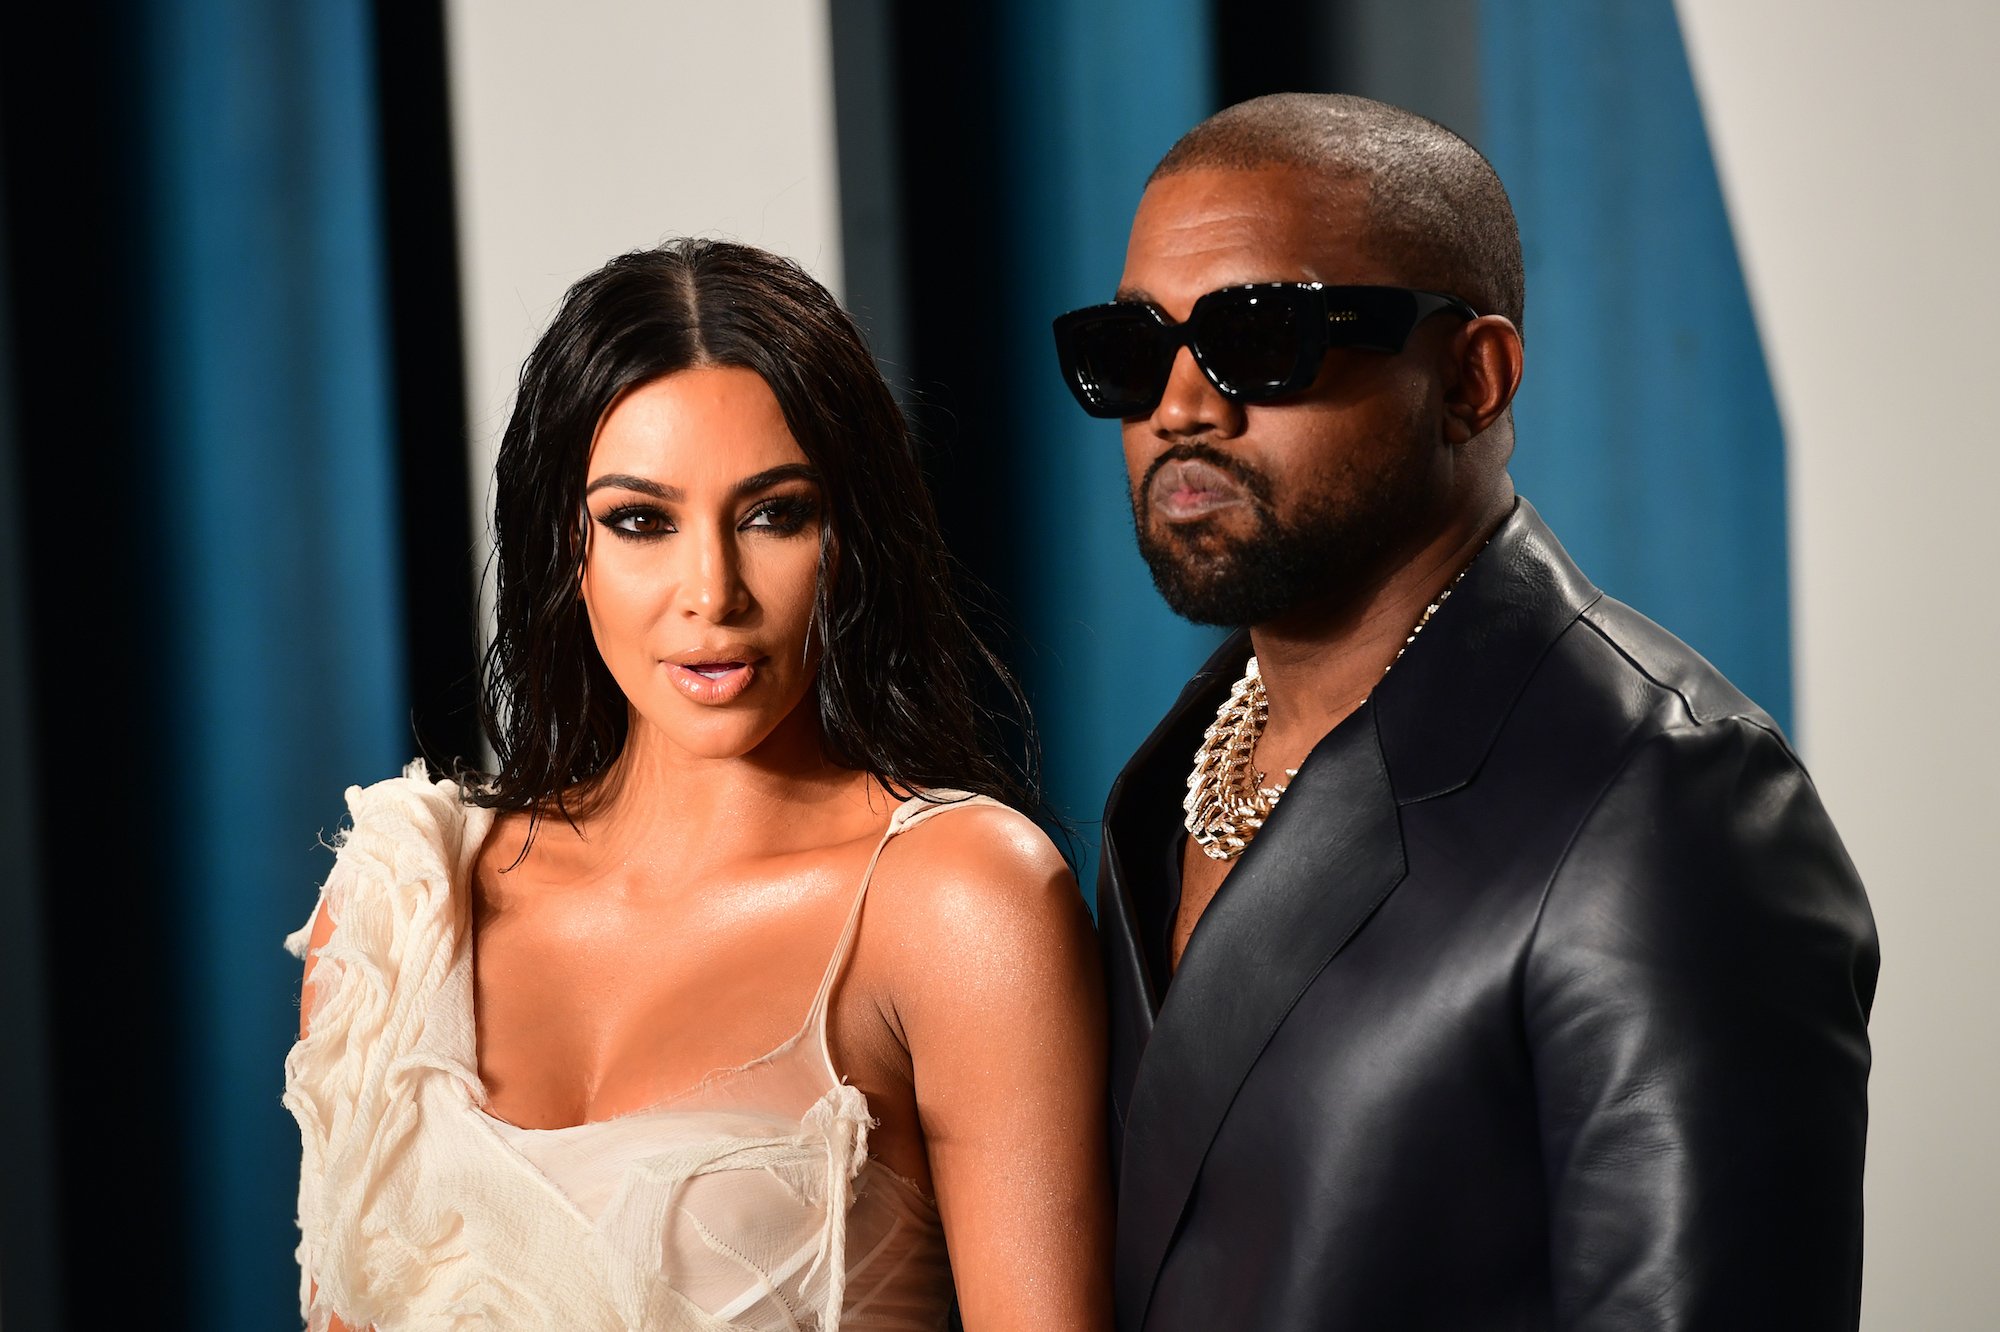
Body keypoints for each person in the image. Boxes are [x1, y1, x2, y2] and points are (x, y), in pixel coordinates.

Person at [1055, 93, 1879, 1330]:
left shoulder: (1666, 805)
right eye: (1131, 350)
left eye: (1260, 337)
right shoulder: (1166, 776)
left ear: (1469, 378)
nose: (1181, 407)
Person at [285, 239, 1114, 1332]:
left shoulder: (957, 897)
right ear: (562, 548)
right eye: (640, 521)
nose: (711, 592)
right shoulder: (400, 906)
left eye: (774, 514)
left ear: (849, 539)